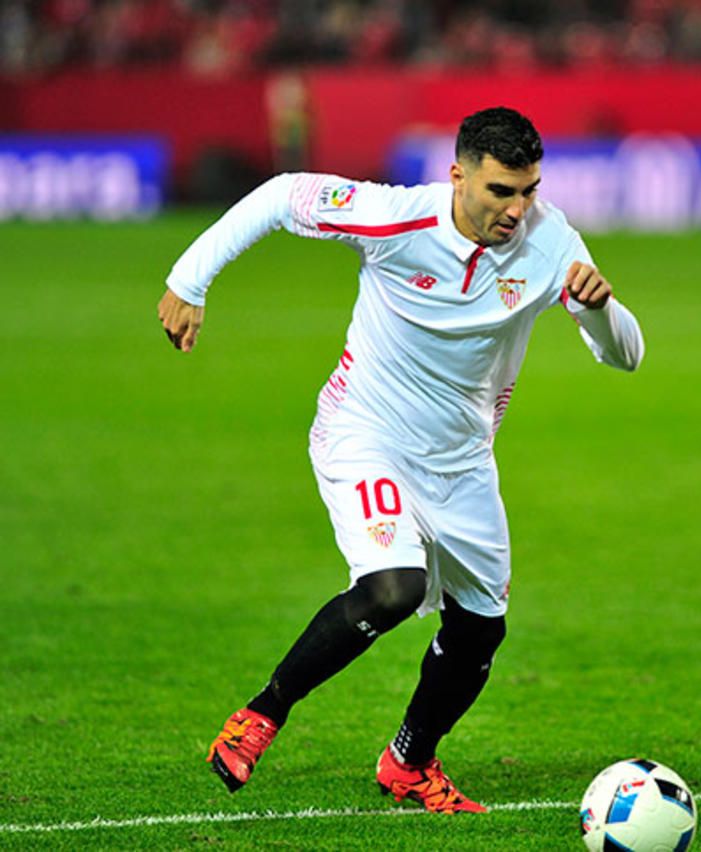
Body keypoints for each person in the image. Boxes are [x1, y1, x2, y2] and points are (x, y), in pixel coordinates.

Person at [158, 106, 645, 812]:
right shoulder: (394, 218)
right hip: (366, 433)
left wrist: (599, 308)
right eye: (500, 191)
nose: (518, 209)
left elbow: (624, 355)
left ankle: (409, 763)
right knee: (393, 587)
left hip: (461, 463)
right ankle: (261, 714)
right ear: (458, 176)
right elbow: (279, 194)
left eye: (529, 190)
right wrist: (188, 281)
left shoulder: (552, 242)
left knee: (481, 628)